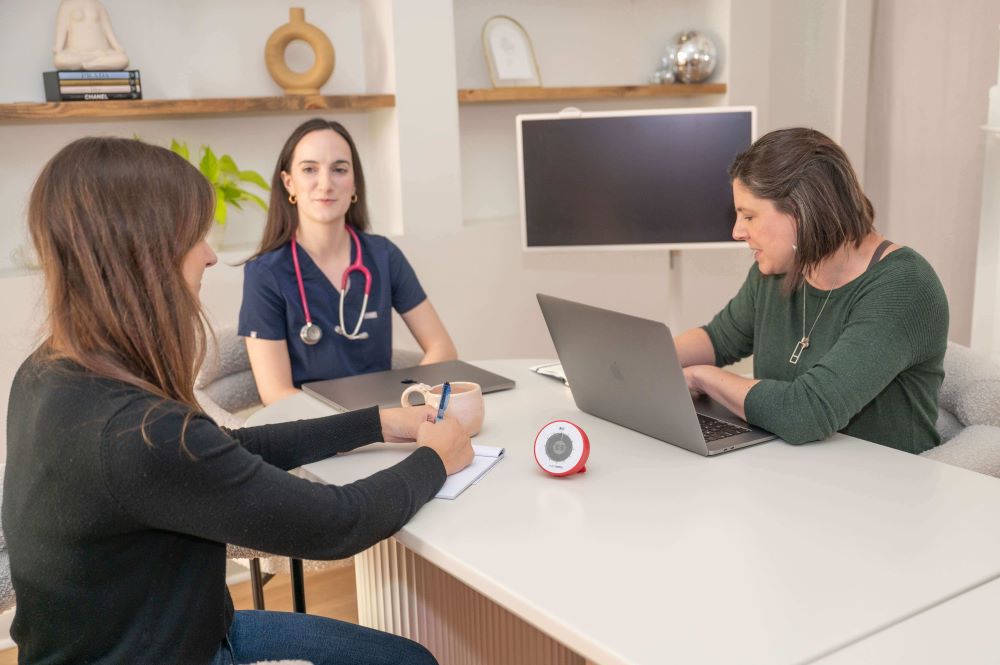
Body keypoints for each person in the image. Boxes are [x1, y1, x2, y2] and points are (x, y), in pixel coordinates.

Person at [2, 137, 473, 664]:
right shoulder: (136, 432)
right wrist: (437, 459)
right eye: (195, 236)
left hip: (171, 629)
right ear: (144, 253)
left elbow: (222, 447)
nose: (209, 254)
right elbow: (335, 523)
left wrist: (379, 423)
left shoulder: (50, 371)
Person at [675, 127, 948, 454]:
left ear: (802, 211)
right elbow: (719, 339)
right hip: (796, 472)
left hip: (880, 490)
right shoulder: (778, 270)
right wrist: (641, 361)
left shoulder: (904, 286)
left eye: (749, 215)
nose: (737, 231)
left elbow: (806, 412)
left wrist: (702, 378)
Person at [240, 118, 457, 405]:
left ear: (354, 183)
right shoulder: (266, 274)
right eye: (309, 169)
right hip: (315, 431)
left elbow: (443, 347)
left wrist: (408, 401)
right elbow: (275, 394)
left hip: (387, 420)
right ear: (289, 183)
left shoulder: (383, 256)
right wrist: (359, 426)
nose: (325, 184)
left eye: (339, 169)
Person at [52, 0, 129, 70]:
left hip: (102, 52)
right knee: (59, 60)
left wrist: (117, 47)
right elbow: (62, 27)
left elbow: (107, 28)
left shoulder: (98, 4)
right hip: (78, 53)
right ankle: (94, 60)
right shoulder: (66, 4)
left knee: (123, 59)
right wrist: (59, 47)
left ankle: (92, 65)